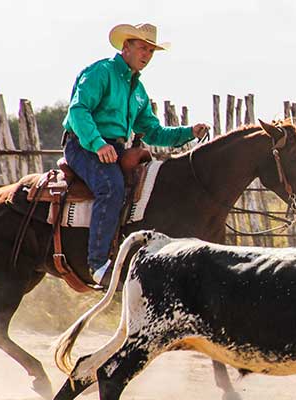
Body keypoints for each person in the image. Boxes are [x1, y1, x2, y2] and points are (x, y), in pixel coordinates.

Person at [62, 23, 208, 284]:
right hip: (83, 145)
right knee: (111, 187)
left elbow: (152, 132)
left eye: (151, 51)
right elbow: (78, 110)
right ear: (126, 46)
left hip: (115, 149)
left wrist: (189, 132)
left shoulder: (137, 91)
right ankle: (97, 264)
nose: (147, 55)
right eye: (143, 48)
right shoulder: (100, 73)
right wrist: (98, 144)